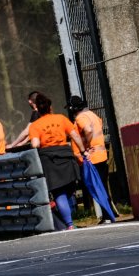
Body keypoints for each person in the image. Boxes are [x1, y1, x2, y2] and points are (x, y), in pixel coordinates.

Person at [29, 92, 86, 230]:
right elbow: (74, 135)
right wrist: (83, 151)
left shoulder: (35, 125)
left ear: (38, 110)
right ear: (50, 107)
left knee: (59, 192)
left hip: (49, 161)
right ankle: (69, 220)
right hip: (65, 157)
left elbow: (35, 144)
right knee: (68, 189)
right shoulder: (61, 118)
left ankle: (69, 224)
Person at [67, 95, 115, 222]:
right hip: (101, 155)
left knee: (97, 187)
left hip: (91, 158)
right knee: (102, 186)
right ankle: (110, 213)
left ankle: (107, 215)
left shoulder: (81, 117)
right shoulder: (92, 115)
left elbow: (88, 130)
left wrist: (86, 147)